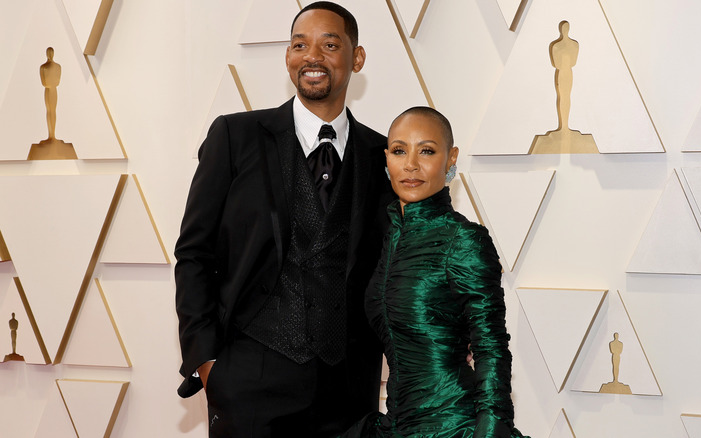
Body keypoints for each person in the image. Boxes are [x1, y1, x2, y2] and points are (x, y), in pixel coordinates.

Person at [174, 2, 392, 436]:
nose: (312, 56)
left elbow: (398, 267)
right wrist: (207, 361)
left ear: (357, 58)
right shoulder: (235, 137)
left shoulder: (382, 155)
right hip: (249, 383)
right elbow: (194, 251)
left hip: (349, 392)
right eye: (299, 44)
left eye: (329, 44)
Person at [342, 107, 529, 437]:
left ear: (450, 157)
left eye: (426, 150)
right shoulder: (390, 239)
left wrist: (491, 429)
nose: (411, 165)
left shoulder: (463, 239)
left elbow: (492, 347)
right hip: (397, 422)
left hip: (454, 425)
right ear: (387, 159)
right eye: (400, 151)